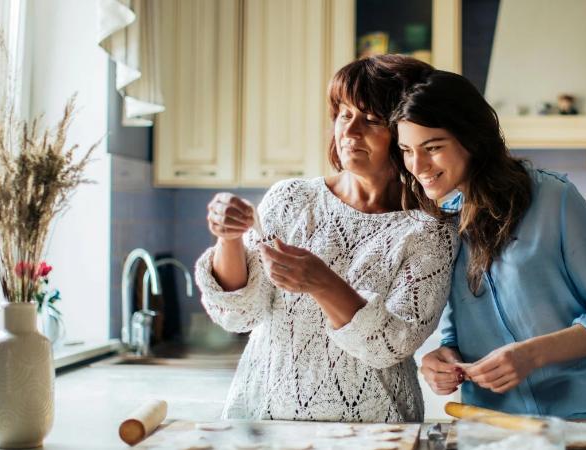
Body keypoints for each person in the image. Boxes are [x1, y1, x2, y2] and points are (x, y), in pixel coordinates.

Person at [195, 55, 457, 422]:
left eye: (370, 120)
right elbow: (238, 314)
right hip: (265, 420)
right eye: (344, 114)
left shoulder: (429, 230)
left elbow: (390, 344)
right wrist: (229, 239)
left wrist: (322, 283)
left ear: (405, 133)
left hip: (375, 430)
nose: (349, 133)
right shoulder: (291, 199)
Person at [391, 70, 586, 419]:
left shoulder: (555, 198)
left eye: (433, 147)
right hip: (495, 425)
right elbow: (457, 325)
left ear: (472, 138)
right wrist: (444, 356)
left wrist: (531, 355)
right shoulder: (438, 222)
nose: (418, 165)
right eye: (406, 150)